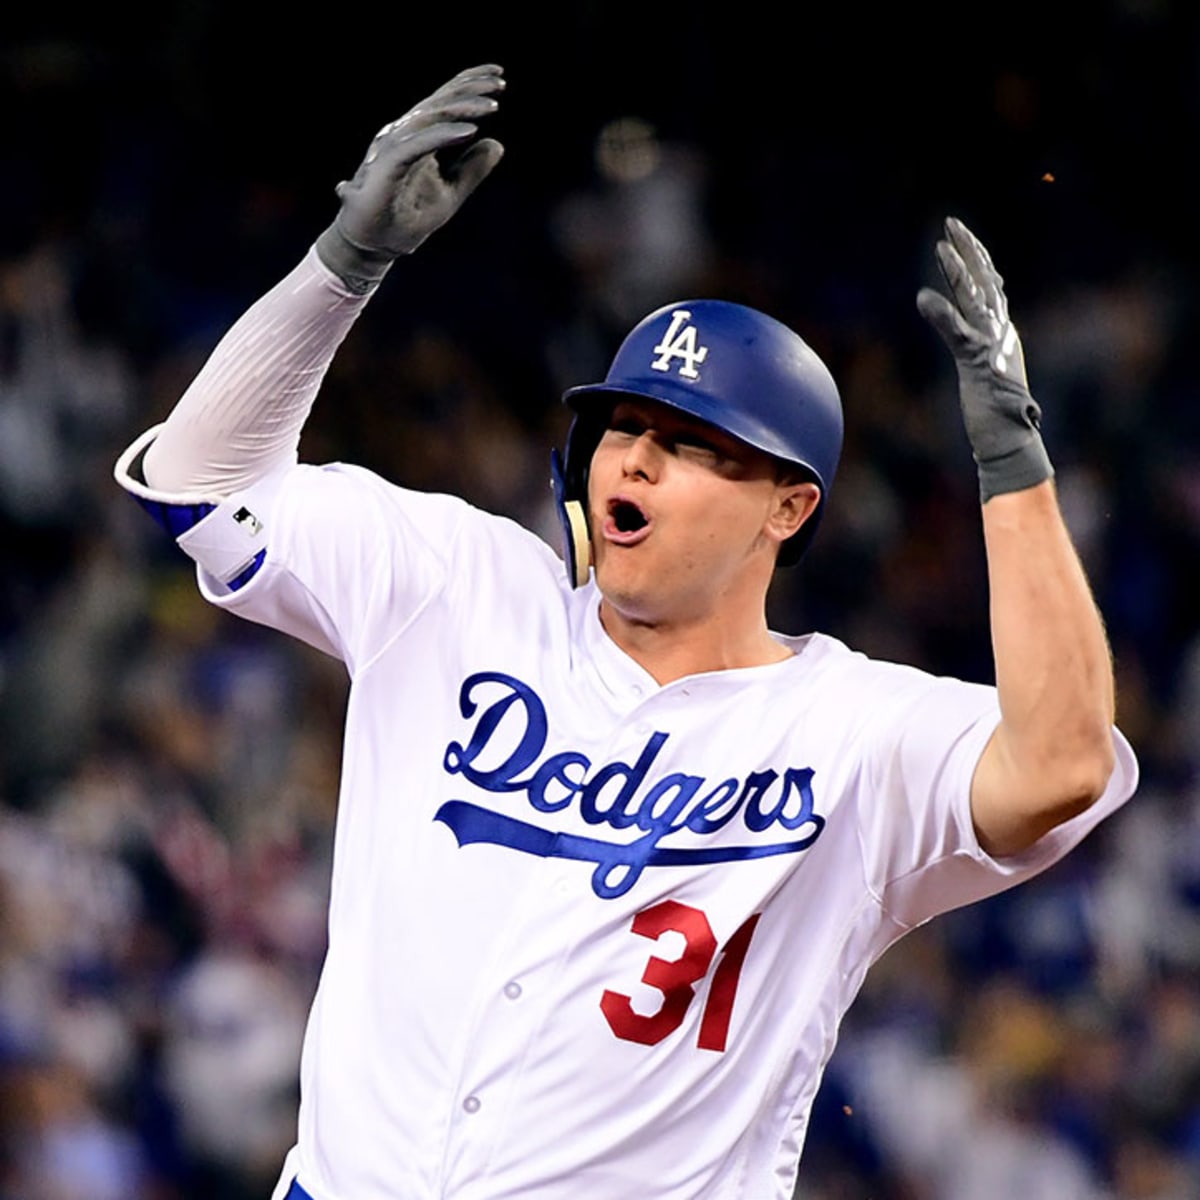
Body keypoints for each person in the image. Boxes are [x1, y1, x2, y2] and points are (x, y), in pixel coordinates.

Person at [114, 63, 1138, 1200]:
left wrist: (1013, 466)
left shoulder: (852, 730)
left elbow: (1059, 762)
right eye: (622, 425)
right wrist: (340, 270)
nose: (638, 457)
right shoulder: (459, 587)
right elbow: (198, 481)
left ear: (789, 507)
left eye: (697, 443)